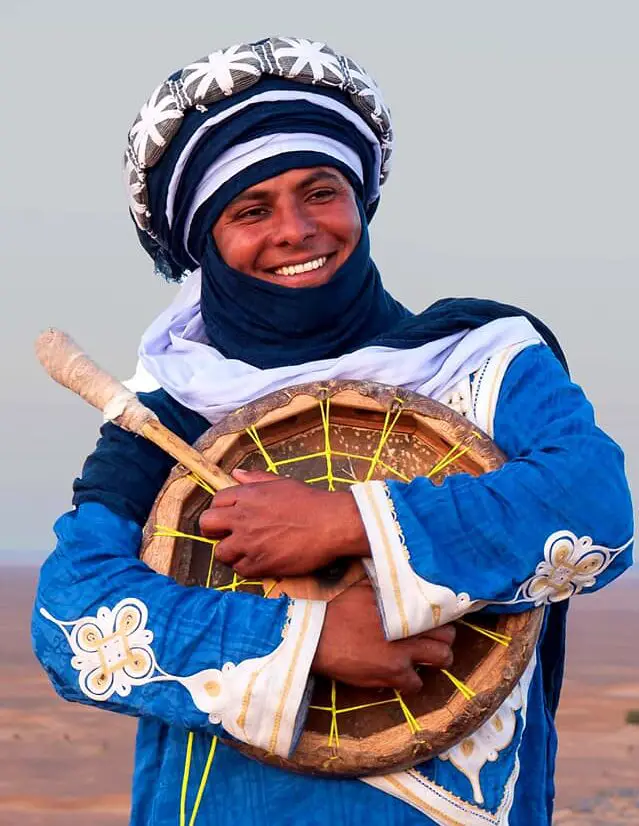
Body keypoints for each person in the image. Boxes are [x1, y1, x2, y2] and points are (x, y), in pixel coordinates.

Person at [32, 36, 633, 826]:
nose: (296, 229)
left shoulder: (480, 361)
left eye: (320, 191)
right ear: (205, 241)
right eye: (250, 209)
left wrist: (341, 522)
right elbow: (72, 618)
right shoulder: (168, 412)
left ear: (359, 199)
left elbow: (594, 507)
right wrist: (306, 641)